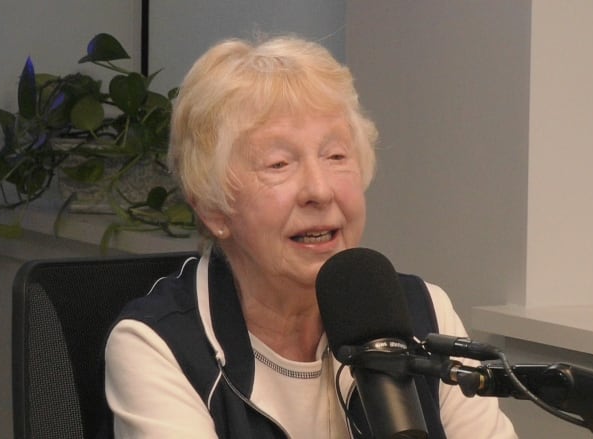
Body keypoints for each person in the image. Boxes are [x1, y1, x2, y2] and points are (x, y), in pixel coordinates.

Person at [104, 35, 517, 438]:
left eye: (336, 156)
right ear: (212, 208)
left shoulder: (425, 314)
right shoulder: (158, 346)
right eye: (279, 163)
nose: (319, 190)